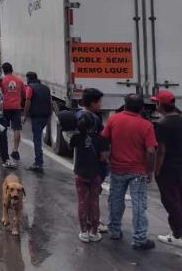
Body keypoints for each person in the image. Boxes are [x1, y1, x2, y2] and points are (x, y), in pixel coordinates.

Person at [102, 94, 157, 250]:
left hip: (117, 168)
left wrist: (106, 158)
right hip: (138, 171)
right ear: (141, 108)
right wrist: (150, 170)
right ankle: (139, 238)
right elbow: (151, 151)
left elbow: (104, 139)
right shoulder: (146, 125)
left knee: (116, 199)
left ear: (125, 105)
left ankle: (114, 230)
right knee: (138, 204)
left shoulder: (113, 119)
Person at [152, 90, 182, 247]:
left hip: (168, 167)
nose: (155, 105)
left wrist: (156, 169)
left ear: (160, 105)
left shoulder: (163, 124)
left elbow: (161, 150)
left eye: (156, 102)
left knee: (171, 201)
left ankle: (177, 235)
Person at [70, 111, 108, 243]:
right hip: (95, 174)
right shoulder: (101, 139)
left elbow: (71, 146)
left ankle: (83, 232)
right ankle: (94, 232)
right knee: (94, 202)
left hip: (80, 174)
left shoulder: (76, 137)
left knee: (82, 202)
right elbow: (104, 157)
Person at [78, 87, 108, 234]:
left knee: (83, 198)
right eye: (99, 102)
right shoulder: (94, 119)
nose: (101, 104)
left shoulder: (78, 115)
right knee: (94, 196)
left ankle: (85, 228)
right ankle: (94, 225)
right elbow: (102, 141)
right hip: (95, 165)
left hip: (80, 164)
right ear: (92, 103)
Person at [22, 72, 51, 173]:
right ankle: (39, 161)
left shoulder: (30, 87)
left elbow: (28, 101)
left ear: (28, 78)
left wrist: (25, 115)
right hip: (46, 116)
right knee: (38, 137)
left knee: (37, 139)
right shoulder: (46, 88)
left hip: (37, 116)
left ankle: (38, 163)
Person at [1, 62, 25, 161]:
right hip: (16, 107)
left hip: (5, 107)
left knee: (3, 129)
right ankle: (15, 150)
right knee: (16, 129)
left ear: (3, 70)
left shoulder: (2, 80)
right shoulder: (19, 80)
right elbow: (24, 94)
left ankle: (3, 150)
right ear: (12, 69)